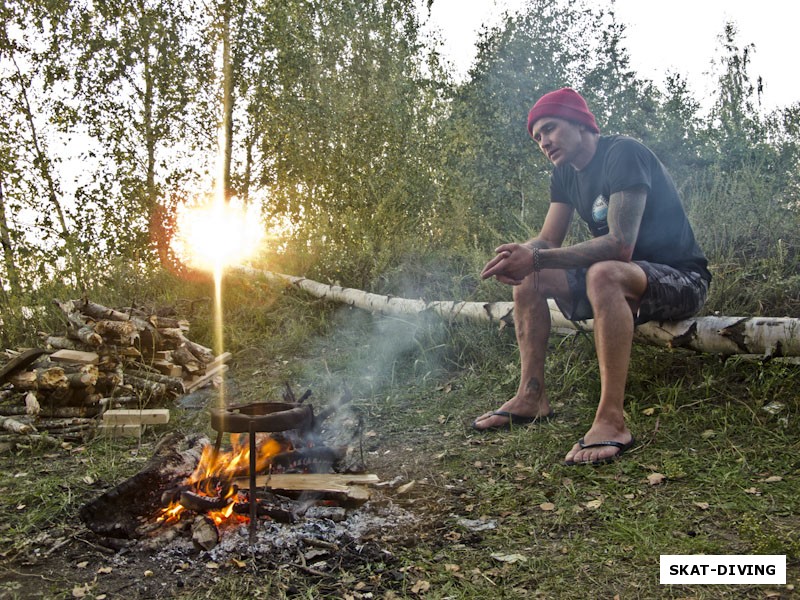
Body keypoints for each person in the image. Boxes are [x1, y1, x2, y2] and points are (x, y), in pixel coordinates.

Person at [473, 88, 711, 465]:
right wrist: (519, 254)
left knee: (603, 272)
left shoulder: (622, 153)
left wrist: (536, 257)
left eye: (549, 129)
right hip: (620, 279)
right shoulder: (564, 175)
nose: (544, 142)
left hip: (680, 279)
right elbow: (548, 240)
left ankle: (611, 420)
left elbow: (620, 246)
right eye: (537, 137)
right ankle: (531, 396)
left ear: (580, 122)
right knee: (531, 278)